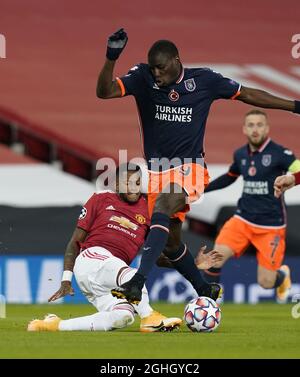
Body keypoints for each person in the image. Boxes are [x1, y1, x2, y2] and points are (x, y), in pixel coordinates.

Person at [96, 28, 300, 305]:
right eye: (154, 68)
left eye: (161, 68)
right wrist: (111, 57)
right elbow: (104, 92)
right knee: (167, 247)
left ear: (176, 61)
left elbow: (248, 94)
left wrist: (294, 106)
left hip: (189, 168)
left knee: (164, 204)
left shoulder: (204, 80)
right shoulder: (142, 77)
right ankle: (205, 288)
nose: (157, 74)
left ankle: (136, 282)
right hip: (156, 171)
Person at [28, 163, 218, 332]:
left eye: (136, 182)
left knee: (123, 317)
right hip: (91, 259)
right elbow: (75, 241)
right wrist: (66, 280)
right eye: (126, 182)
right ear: (117, 184)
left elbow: (157, 258)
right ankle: (150, 317)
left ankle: (54, 325)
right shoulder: (101, 199)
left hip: (108, 277)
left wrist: (193, 264)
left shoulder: (150, 209)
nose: (132, 187)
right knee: (133, 277)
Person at [198, 109, 300, 303]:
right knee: (215, 258)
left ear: (267, 128)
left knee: (266, 282)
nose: (255, 129)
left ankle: (282, 276)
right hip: (242, 220)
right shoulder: (240, 154)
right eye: (251, 125)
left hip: (271, 226)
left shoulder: (280, 153)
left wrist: (292, 178)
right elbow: (230, 177)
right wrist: (202, 190)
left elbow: (299, 169)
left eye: (259, 125)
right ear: (244, 129)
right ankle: (209, 303)